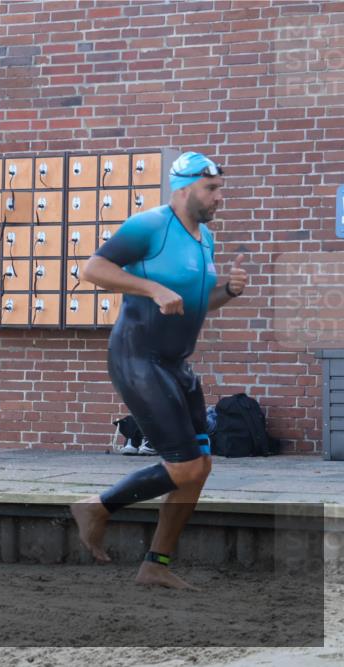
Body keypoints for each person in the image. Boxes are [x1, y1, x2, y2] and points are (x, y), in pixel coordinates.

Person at [71, 151, 248, 589]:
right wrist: (151, 287)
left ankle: (156, 565)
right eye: (212, 189)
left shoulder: (204, 238)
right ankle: (96, 506)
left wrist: (226, 290)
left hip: (175, 364)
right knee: (185, 467)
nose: (219, 197)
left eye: (220, 188)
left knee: (200, 466)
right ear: (184, 187)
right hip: (138, 358)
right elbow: (92, 268)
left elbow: (192, 302)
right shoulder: (150, 225)